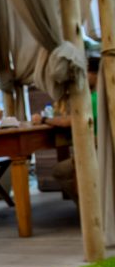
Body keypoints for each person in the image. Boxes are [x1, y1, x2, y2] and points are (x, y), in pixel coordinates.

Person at [31, 55, 101, 201]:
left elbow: (68, 122)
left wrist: (43, 119)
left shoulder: (93, 98)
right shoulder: (100, 96)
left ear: (94, 74)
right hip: (98, 148)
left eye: (84, 74)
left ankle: (86, 206)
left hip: (96, 150)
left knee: (60, 171)